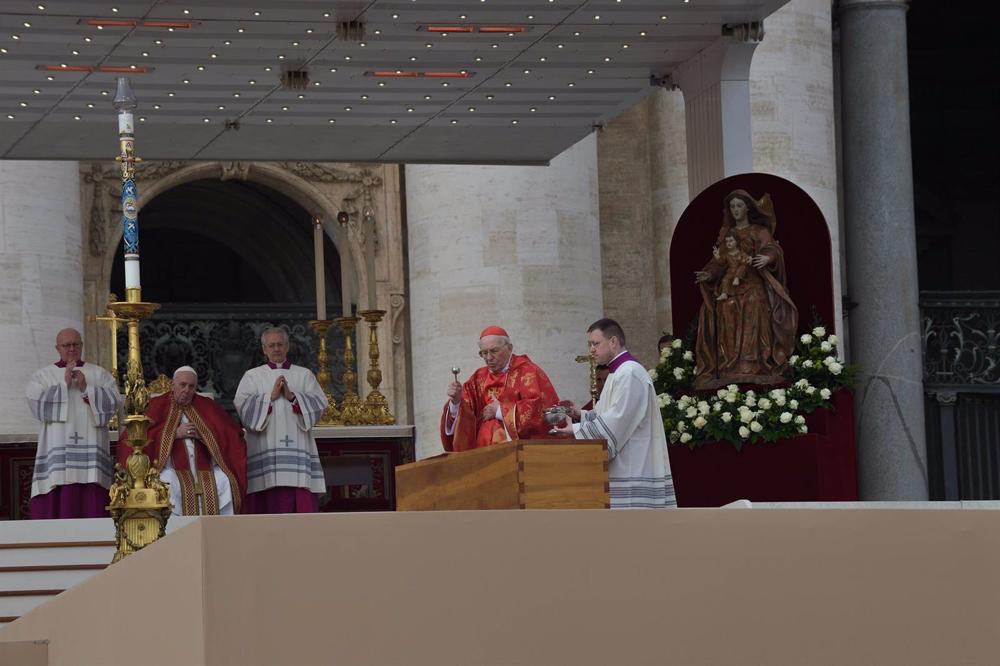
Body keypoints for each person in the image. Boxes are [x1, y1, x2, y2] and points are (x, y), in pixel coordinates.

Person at [556, 319, 676, 509]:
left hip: (634, 467)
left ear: (613, 341)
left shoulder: (629, 373)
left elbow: (618, 420)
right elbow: (607, 414)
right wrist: (581, 415)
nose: (591, 350)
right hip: (624, 465)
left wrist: (577, 430)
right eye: (589, 345)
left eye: (595, 343)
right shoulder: (617, 373)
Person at [693, 190, 798, 389]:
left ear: (747, 208)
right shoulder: (727, 234)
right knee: (725, 307)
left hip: (754, 284)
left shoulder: (759, 231)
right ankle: (730, 364)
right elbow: (720, 261)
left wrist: (767, 257)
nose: (735, 210)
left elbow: (773, 249)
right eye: (732, 206)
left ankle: (754, 363)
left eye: (739, 205)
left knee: (753, 303)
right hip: (730, 286)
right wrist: (710, 274)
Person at [116, 366, 247, 516]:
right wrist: (174, 434)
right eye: (183, 385)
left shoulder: (207, 406)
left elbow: (231, 435)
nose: (187, 390)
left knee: (224, 480)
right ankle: (175, 529)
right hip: (172, 469)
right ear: (173, 385)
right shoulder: (156, 405)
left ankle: (218, 529)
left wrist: (205, 435)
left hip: (205, 469)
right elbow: (134, 437)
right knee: (166, 482)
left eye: (191, 387)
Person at [25, 328, 122, 518]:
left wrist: (87, 387)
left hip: (91, 451)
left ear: (82, 346)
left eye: (75, 344)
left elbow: (113, 402)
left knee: (92, 494)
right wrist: (64, 386)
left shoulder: (99, 374)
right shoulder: (42, 376)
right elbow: (36, 404)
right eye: (66, 345)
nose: (71, 349)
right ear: (57, 348)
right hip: (57, 449)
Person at [235, 327, 328, 513]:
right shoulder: (252, 376)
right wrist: (269, 398)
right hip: (265, 448)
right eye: (271, 345)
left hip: (298, 446)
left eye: (280, 344)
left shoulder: (304, 375)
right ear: (264, 349)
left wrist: (293, 397)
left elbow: (319, 404)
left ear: (287, 347)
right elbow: (242, 406)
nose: (276, 349)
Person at [441, 326, 560, 452]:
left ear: (509, 348)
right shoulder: (478, 378)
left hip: (518, 452)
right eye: (484, 353)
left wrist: (500, 411)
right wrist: (455, 403)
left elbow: (538, 409)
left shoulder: (527, 372)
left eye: (494, 351)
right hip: (482, 453)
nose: (488, 357)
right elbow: (466, 417)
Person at [714, 234, 751, 301]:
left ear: (736, 241)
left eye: (731, 241)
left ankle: (737, 278)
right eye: (727, 241)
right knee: (725, 280)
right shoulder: (726, 254)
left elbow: (746, 259)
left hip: (740, 271)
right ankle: (724, 294)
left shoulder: (741, 252)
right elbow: (721, 263)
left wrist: (749, 258)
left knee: (742, 266)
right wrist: (717, 257)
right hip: (730, 271)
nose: (728, 243)